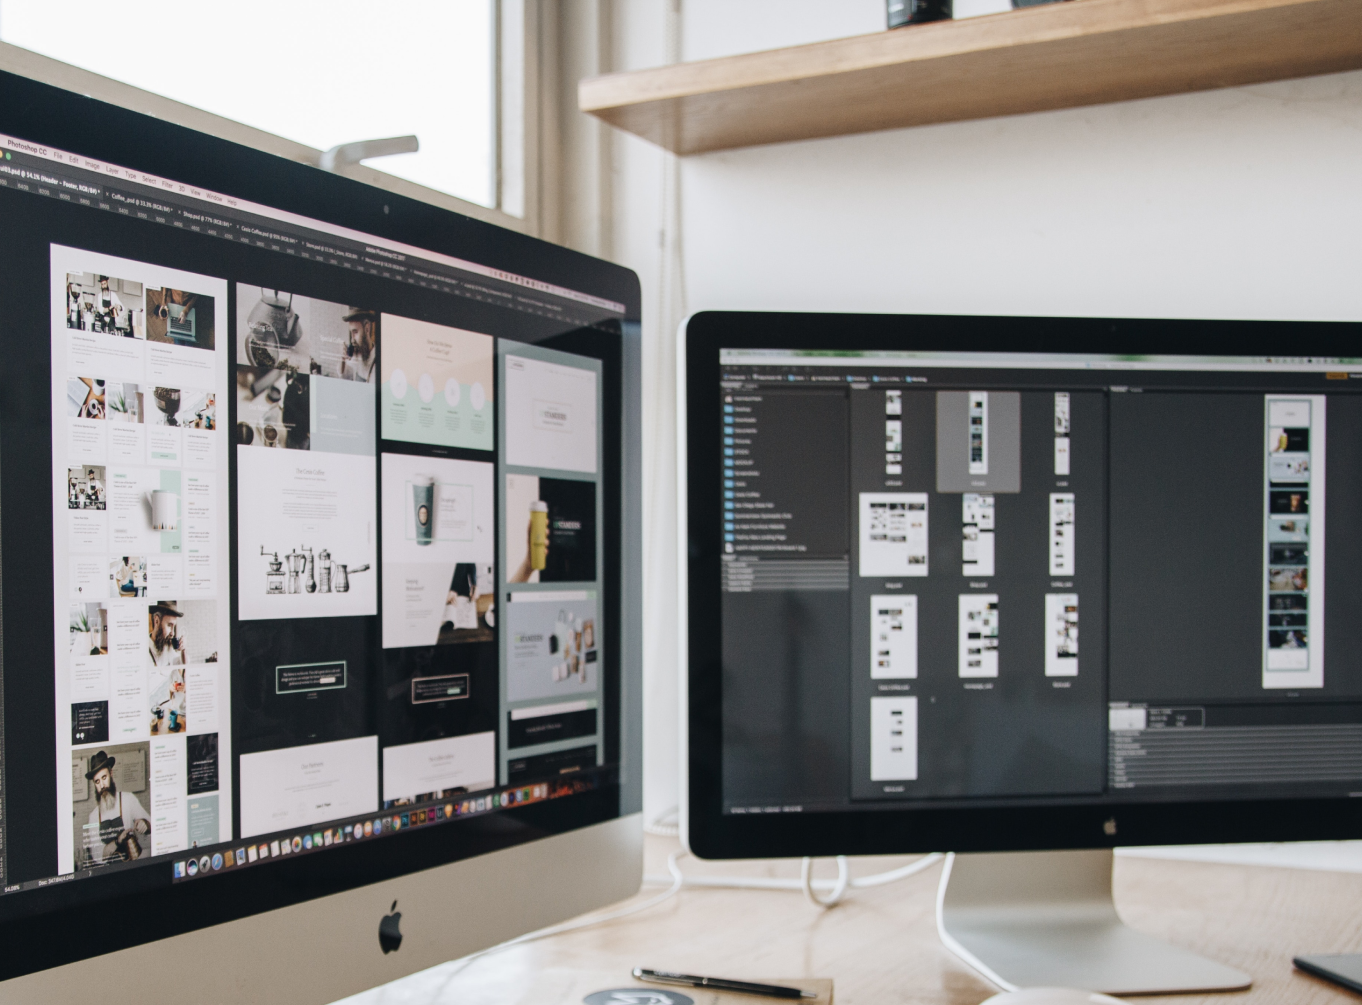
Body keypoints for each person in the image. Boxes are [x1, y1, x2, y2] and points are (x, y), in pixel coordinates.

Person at [84, 750, 150, 866]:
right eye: (97, 781)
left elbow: (151, 824)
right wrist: (117, 841)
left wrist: (145, 823)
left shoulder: (128, 799)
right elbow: (98, 855)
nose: (102, 785)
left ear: (111, 773)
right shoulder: (93, 816)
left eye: (104, 777)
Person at [340, 307, 377, 382]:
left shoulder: (378, 361)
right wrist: (343, 360)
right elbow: (344, 376)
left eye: (355, 332)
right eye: (351, 333)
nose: (352, 339)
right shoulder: (356, 355)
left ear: (367, 328)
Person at [148, 600, 186, 667]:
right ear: (156, 621)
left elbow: (181, 664)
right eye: (169, 625)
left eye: (173, 627)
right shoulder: (143, 649)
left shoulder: (168, 647)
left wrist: (183, 650)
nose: (172, 633)